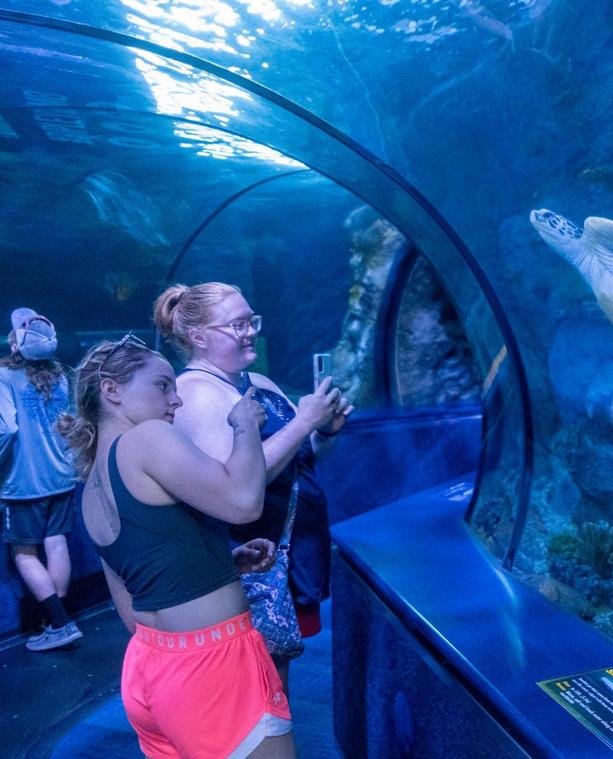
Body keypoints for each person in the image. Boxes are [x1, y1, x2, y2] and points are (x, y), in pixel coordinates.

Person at [57, 334, 296, 758]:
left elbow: (133, 607)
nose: (177, 400)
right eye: (162, 385)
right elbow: (243, 502)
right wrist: (242, 423)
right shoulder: (146, 438)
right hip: (214, 665)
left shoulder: (92, 481)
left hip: (150, 671)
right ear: (112, 390)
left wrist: (219, 565)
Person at [153, 282, 351, 692]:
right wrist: (303, 422)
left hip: (287, 555)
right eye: (237, 324)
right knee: (257, 682)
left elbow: (303, 455)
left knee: (275, 675)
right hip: (252, 565)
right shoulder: (196, 394)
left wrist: (326, 433)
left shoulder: (256, 380)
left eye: (251, 321)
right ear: (198, 336)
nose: (250, 332)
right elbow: (237, 488)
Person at [0, 308, 82, 651]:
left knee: (24, 552)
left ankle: (61, 623)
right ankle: (52, 617)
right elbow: (73, 424)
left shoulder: (4, 377)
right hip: (62, 477)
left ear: (15, 342)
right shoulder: (62, 376)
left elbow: (7, 429)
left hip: (22, 483)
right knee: (56, 543)